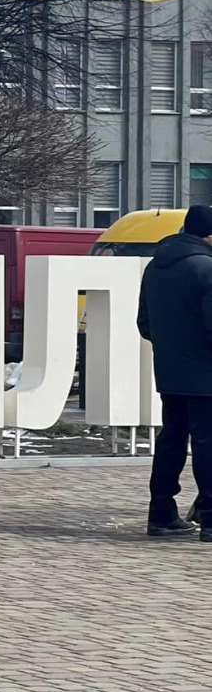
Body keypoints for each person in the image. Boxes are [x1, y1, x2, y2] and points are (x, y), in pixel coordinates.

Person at [136, 203, 212, 540]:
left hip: (170, 372)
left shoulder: (156, 266)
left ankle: (161, 513)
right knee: (208, 444)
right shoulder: (207, 269)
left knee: (171, 440)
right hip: (206, 375)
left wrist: (174, 349)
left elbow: (145, 324)